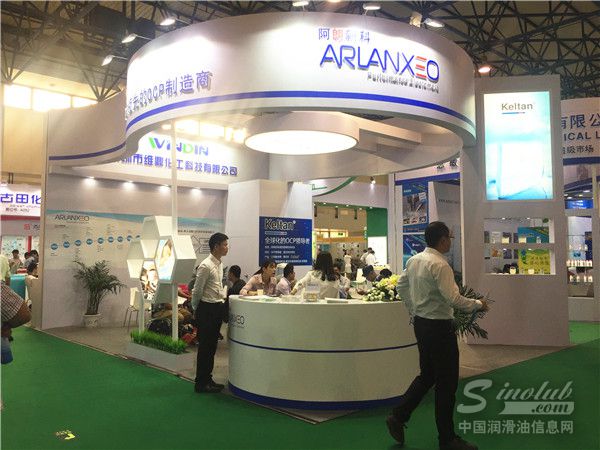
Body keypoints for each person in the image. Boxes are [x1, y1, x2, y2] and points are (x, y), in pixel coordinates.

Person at [386, 221, 489, 450]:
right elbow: (453, 299)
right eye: (449, 238)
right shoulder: (441, 265)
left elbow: (401, 286)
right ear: (442, 240)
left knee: (427, 375)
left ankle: (398, 415)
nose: (450, 242)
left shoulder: (414, 260)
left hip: (422, 325)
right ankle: (447, 439)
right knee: (446, 384)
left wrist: (414, 308)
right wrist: (478, 304)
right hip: (440, 329)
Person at [191, 232, 229, 394]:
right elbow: (197, 290)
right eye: (225, 244)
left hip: (217, 308)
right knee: (205, 347)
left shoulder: (219, 264)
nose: (227, 247)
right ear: (216, 246)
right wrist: (195, 309)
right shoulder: (205, 265)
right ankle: (200, 382)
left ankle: (208, 379)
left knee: (212, 347)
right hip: (206, 309)